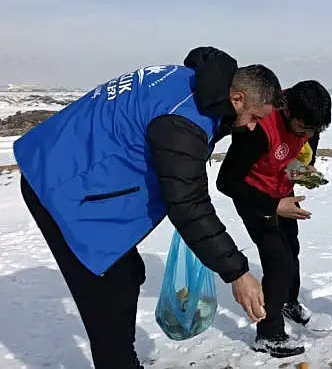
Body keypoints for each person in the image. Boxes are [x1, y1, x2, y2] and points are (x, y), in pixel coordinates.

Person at [13, 47, 282, 369]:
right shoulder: (183, 119)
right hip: (60, 186)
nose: (252, 127)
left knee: (129, 275)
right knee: (108, 296)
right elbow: (187, 202)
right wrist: (237, 273)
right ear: (237, 98)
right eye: (254, 118)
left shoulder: (193, 82)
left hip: (72, 166)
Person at [216, 80, 332, 358]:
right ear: (288, 110)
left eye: (313, 130)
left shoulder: (308, 123)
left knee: (292, 249)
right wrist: (273, 205)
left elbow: (302, 145)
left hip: (281, 190)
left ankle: (287, 301)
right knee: (278, 260)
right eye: (303, 128)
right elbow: (226, 182)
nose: (308, 134)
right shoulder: (258, 128)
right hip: (254, 196)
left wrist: (304, 168)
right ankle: (268, 334)